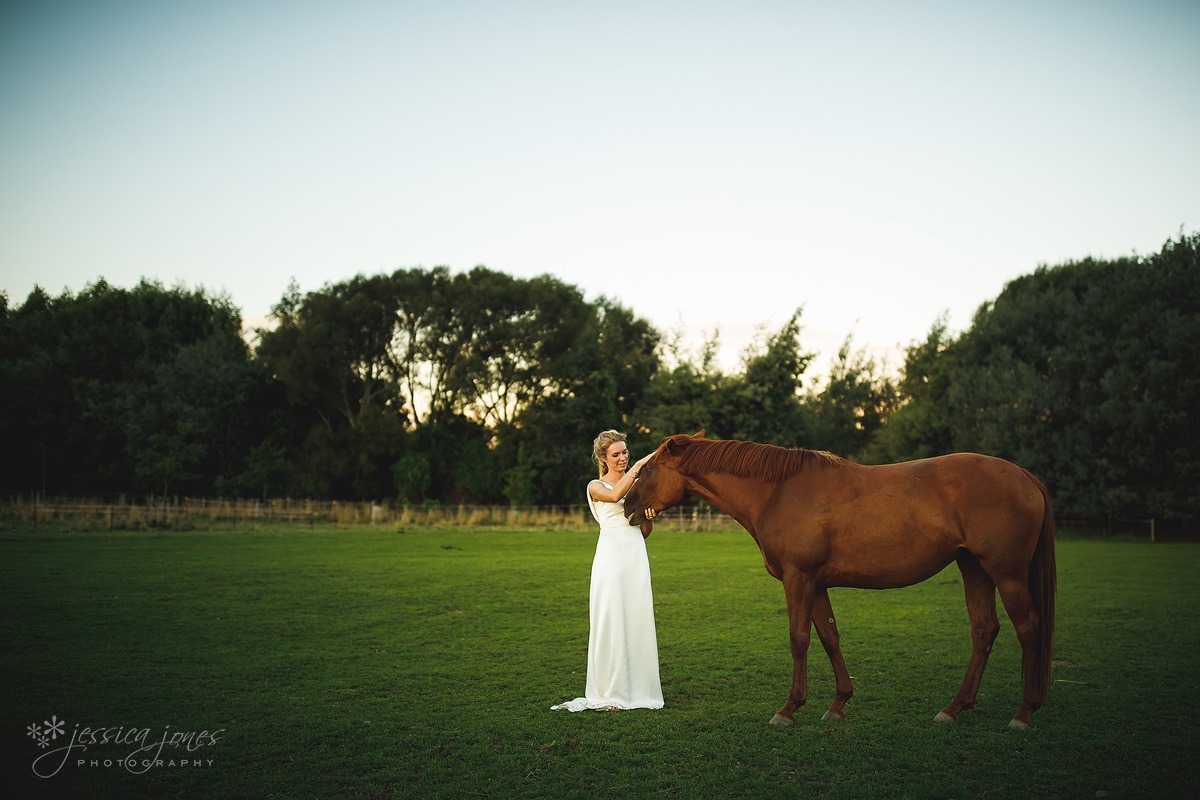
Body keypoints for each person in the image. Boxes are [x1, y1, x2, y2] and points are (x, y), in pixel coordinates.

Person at [551, 430, 664, 712]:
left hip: (636, 554)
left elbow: (643, 530)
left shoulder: (637, 485)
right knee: (611, 618)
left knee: (636, 618)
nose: (623, 458)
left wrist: (649, 516)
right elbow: (614, 497)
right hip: (611, 557)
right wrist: (638, 469)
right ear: (602, 457)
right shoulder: (595, 485)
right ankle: (611, 690)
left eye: (625, 453)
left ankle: (639, 689)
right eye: (616, 454)